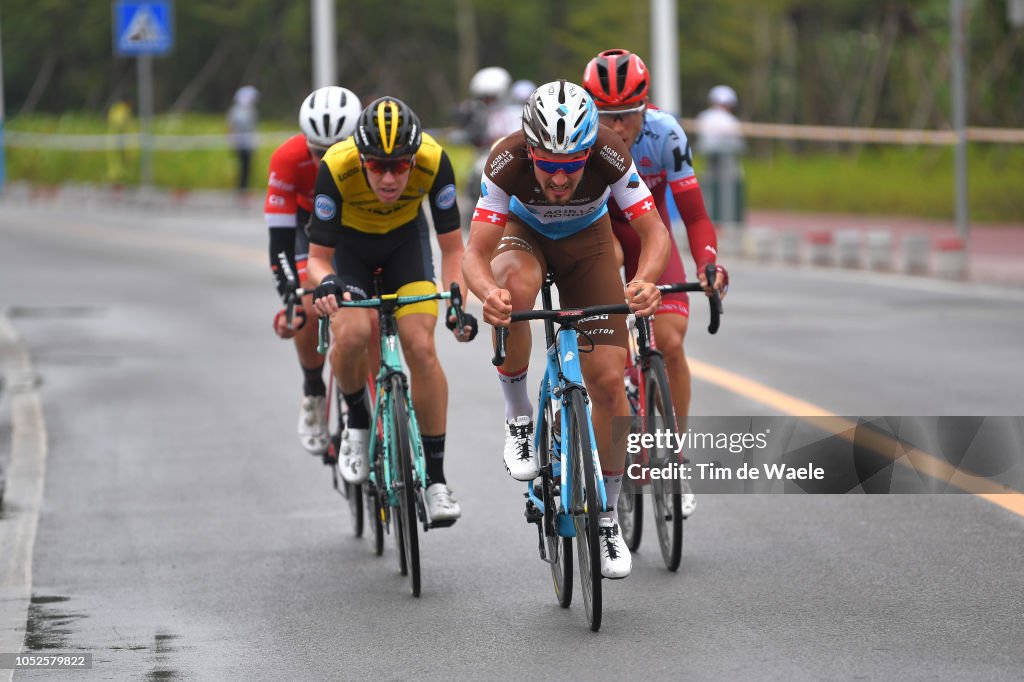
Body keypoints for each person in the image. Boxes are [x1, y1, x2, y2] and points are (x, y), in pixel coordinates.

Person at [461, 80, 674, 579]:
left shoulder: (609, 151)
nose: (559, 179)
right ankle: (518, 417)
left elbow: (654, 232)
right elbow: (474, 254)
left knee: (607, 384)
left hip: (588, 243)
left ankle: (605, 518)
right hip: (524, 235)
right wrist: (487, 294)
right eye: (548, 166)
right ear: (530, 149)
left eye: (571, 166)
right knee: (512, 286)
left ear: (587, 151)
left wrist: (644, 280)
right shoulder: (506, 159)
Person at [309, 97, 478, 526]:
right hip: (350, 252)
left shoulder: (433, 160)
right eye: (377, 166)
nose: (388, 178)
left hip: (407, 246)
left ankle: (437, 482)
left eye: (399, 166)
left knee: (420, 347)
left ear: (412, 158)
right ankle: (358, 423)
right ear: (361, 159)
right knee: (351, 336)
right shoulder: (336, 164)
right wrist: (326, 281)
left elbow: (453, 248)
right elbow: (317, 258)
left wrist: (457, 300)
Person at [582, 49, 729, 519]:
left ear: (645, 107)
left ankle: (676, 458)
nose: (618, 126)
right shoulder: (580, 142)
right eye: (607, 116)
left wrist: (708, 263)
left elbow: (696, 215)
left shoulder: (666, 133)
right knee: (611, 352)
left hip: (653, 239)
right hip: (604, 239)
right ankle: (622, 405)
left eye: (627, 115)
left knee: (668, 341)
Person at [265, 86, 362, 455]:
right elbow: (279, 240)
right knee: (306, 305)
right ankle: (313, 390)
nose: (326, 163)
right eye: (319, 153)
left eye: (337, 152)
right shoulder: (288, 158)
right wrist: (290, 293)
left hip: (354, 224)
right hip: (308, 227)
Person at [695, 85, 745, 224]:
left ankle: (715, 221)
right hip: (721, 163)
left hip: (714, 162)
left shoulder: (704, 117)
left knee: (710, 188)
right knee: (723, 189)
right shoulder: (730, 120)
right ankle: (727, 223)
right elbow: (739, 143)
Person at [228, 85, 260, 194]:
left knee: (247, 166)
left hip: (248, 143)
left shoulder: (250, 110)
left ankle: (244, 187)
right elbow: (232, 126)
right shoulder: (238, 111)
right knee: (243, 166)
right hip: (240, 143)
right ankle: (241, 188)